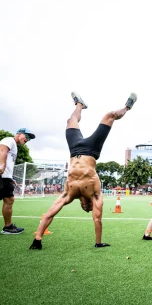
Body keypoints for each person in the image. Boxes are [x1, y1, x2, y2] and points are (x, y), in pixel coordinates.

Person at [29, 91, 136, 250]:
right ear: (91, 205)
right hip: (92, 149)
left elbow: (50, 212)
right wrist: (98, 242)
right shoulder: (95, 195)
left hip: (74, 150)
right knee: (109, 116)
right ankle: (100, 106)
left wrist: (37, 239)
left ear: (82, 205)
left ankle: (82, 105)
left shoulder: (68, 195)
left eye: (86, 209)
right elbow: (97, 219)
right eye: (89, 208)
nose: (87, 209)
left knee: (71, 120)